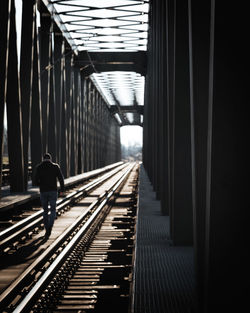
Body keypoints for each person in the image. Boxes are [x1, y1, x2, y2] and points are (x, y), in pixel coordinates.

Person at [34, 153, 65, 238]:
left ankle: (46, 227)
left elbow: (35, 181)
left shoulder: (39, 167)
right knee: (53, 210)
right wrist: (62, 190)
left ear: (43, 159)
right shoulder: (55, 166)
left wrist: (41, 183)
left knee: (45, 210)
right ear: (50, 159)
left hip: (43, 191)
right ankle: (50, 227)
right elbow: (61, 178)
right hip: (53, 191)